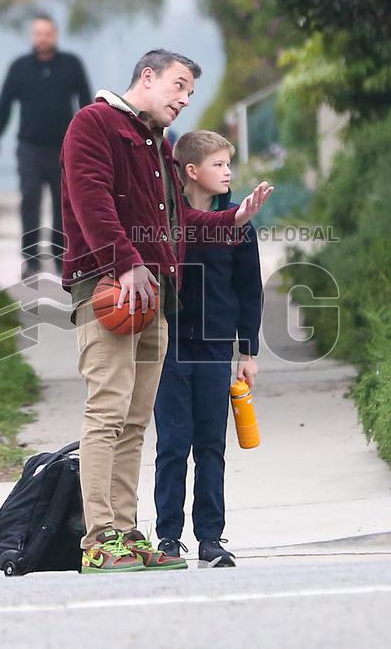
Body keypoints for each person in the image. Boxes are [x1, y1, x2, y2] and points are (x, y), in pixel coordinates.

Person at [60, 49, 273, 573]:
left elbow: (177, 222)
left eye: (190, 93)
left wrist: (231, 221)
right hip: (109, 289)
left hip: (155, 299)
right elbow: (90, 201)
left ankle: (128, 533)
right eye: (179, 86)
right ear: (148, 77)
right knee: (107, 413)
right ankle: (99, 539)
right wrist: (126, 262)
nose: (184, 99)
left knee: (135, 421)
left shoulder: (160, 142)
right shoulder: (94, 124)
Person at [153, 130, 262, 569]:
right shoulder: (166, 219)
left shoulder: (238, 224)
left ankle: (211, 538)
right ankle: (167, 537)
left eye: (228, 164)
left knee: (211, 444)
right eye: (218, 164)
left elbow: (249, 290)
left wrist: (247, 352)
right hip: (169, 344)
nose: (228, 172)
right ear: (192, 171)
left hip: (215, 347)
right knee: (172, 443)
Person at [0, 13, 91, 279]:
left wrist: (92, 140)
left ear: (55, 35)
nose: (43, 38)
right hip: (29, 148)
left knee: (63, 204)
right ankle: (31, 260)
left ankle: (62, 258)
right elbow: (4, 103)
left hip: (64, 148)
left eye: (47, 33)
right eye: (38, 33)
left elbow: (86, 103)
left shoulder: (72, 64)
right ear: (33, 36)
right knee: (29, 200)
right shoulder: (19, 67)